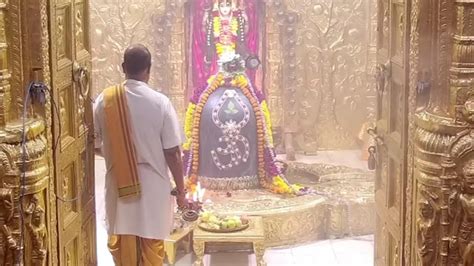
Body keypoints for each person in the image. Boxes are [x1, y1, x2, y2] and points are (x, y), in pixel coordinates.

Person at [93, 44, 187, 266]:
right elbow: (173, 153)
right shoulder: (161, 103)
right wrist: (181, 191)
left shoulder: (104, 100)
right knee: (152, 245)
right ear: (149, 69)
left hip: (119, 185)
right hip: (153, 188)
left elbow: (94, 143)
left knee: (121, 243)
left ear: (123, 67)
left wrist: (118, 157)